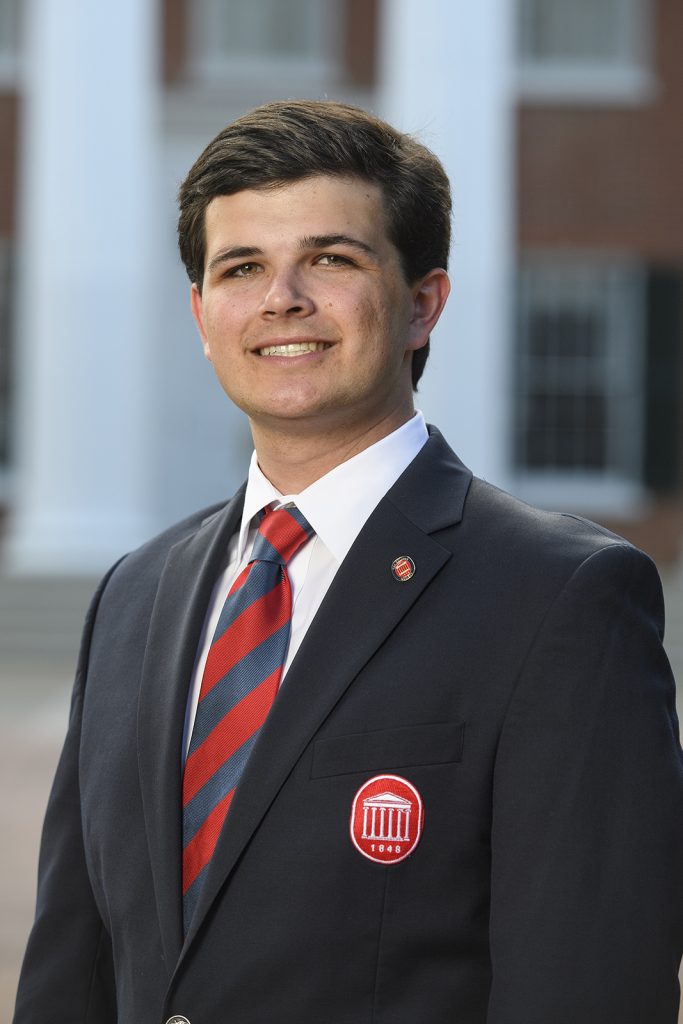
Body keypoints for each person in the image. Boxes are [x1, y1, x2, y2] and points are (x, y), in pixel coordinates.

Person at [13, 100, 683, 1024]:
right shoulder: (135, 593)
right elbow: (71, 970)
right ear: (204, 316)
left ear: (422, 303)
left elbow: (588, 988)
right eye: (242, 268)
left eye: (330, 259)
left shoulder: (558, 598)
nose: (282, 298)